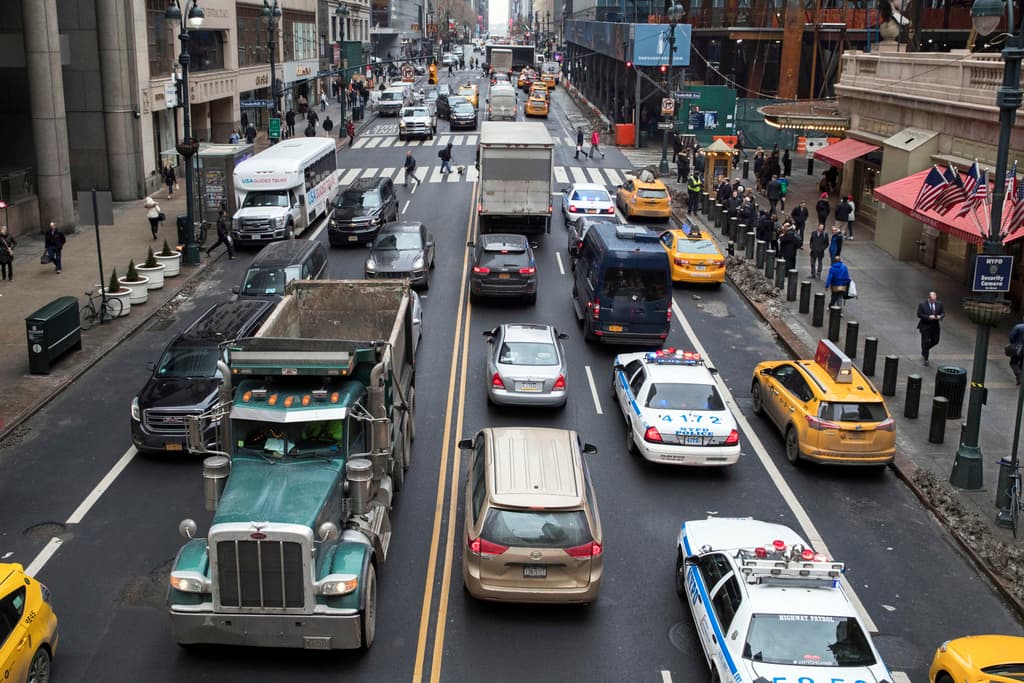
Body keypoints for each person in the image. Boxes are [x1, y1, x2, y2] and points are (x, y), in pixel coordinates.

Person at [916, 291, 945, 366]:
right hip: (925, 326)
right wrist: (928, 317)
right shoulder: (922, 305)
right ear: (929, 298)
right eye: (932, 300)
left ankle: (925, 349)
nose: (934, 301)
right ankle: (926, 359)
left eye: (935, 299)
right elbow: (919, 314)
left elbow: (943, 313)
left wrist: (940, 316)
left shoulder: (939, 304)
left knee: (935, 341)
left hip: (935, 326)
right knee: (925, 341)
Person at [1009, 320, 1024, 384]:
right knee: (1021, 364)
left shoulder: (1018, 327)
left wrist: (1013, 344)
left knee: (1013, 363)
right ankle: (1020, 378)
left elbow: (1011, 337)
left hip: (1017, 348)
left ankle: (1019, 376)